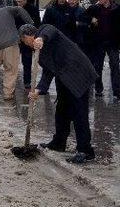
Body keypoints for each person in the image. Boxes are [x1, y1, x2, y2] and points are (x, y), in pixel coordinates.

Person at [22, 24, 97, 164]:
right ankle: (59, 142)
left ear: (30, 36)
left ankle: (86, 151)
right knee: (62, 110)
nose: (28, 45)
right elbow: (48, 72)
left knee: (79, 113)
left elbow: (50, 30)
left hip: (78, 74)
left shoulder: (45, 31)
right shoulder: (41, 53)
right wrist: (38, 90)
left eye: (26, 41)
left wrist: (41, 39)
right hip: (64, 78)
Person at [0, 5, 34, 100]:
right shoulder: (6, 9)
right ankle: (8, 94)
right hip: (11, 44)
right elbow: (19, 8)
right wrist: (30, 22)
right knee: (11, 70)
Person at [86, 0, 120, 99]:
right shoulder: (94, 8)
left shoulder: (116, 8)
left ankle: (117, 92)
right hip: (98, 42)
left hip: (113, 43)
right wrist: (91, 19)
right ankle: (99, 89)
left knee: (115, 66)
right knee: (98, 67)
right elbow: (83, 16)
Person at [15, 0, 41, 88]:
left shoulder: (32, 9)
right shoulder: (16, 9)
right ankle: (14, 80)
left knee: (27, 61)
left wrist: (34, 36)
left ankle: (27, 81)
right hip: (18, 38)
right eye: (17, 2)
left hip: (29, 38)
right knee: (14, 60)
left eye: (20, 1)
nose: (19, 3)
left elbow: (37, 22)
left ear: (25, 0)